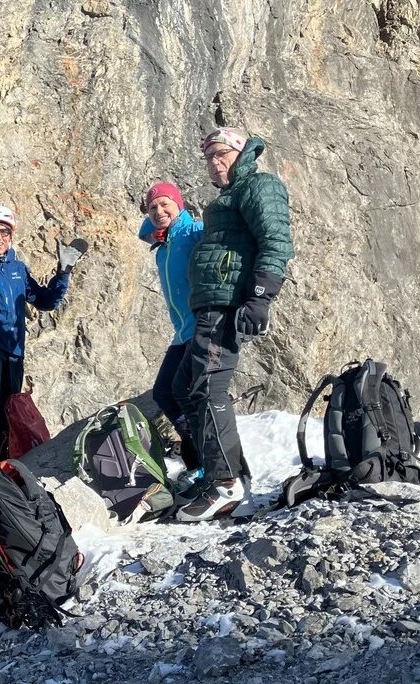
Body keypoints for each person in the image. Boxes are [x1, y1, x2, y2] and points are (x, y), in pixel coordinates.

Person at [173, 128, 295, 522]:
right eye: (208, 156)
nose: (214, 162)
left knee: (208, 387)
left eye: (221, 154)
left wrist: (261, 296)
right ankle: (223, 472)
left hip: (228, 303)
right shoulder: (227, 197)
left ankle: (224, 483)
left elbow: (275, 239)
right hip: (210, 304)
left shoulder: (259, 186)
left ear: (241, 153)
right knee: (185, 388)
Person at [0, 205, 84, 472]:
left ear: (11, 236)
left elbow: (46, 301)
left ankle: (0, 470)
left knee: (9, 412)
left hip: (14, 351)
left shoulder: (18, 269)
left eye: (3, 232)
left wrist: (63, 272)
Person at [137, 183, 205, 487]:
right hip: (182, 334)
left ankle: (205, 464)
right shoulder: (162, 243)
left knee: (187, 396)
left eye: (166, 204)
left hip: (201, 328)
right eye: (153, 208)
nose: (159, 211)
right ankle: (198, 460)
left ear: (180, 204)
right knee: (164, 393)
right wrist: (154, 226)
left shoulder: (193, 232)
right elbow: (146, 229)